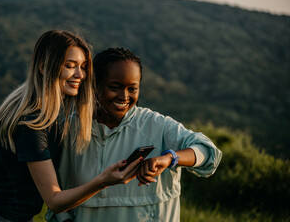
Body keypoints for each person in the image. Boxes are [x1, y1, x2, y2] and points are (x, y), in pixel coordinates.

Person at [0, 32, 142, 222]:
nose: (80, 75)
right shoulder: (31, 123)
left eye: (83, 67)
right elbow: (53, 200)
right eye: (70, 66)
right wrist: (102, 181)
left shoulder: (48, 112)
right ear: (44, 66)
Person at [50, 47, 222, 221]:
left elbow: (208, 152)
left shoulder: (156, 125)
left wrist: (169, 158)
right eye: (115, 87)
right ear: (94, 85)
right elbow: (53, 197)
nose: (124, 96)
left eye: (132, 89)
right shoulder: (68, 129)